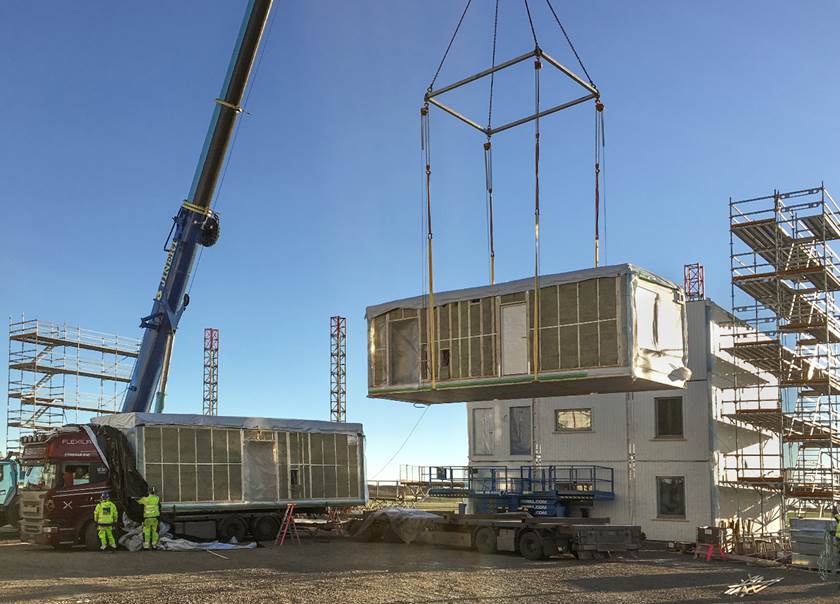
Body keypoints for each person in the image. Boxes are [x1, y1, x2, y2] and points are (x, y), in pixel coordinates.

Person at [137, 486, 160, 550]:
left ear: (149, 492)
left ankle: (146, 546)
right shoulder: (157, 498)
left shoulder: (145, 499)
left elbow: (138, 501)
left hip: (147, 518)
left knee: (146, 531)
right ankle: (154, 545)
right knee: (155, 531)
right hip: (155, 518)